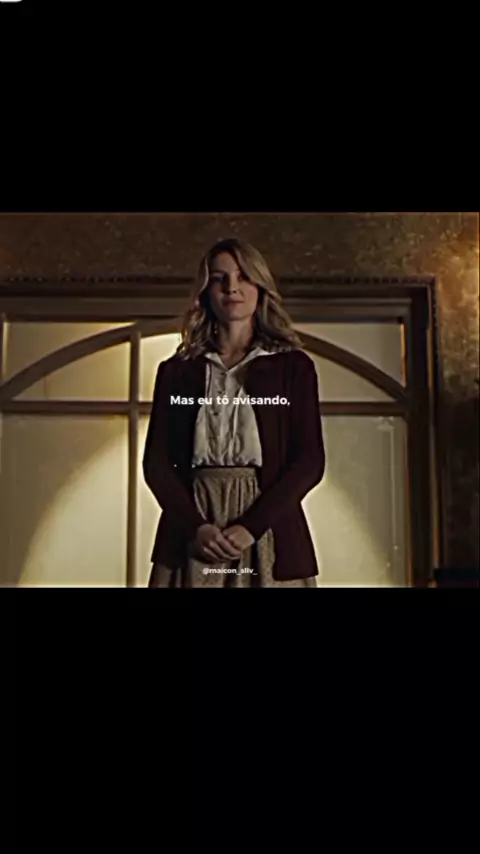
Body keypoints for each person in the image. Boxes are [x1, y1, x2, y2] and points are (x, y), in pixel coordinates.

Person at [143, 238, 325, 588]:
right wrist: (196, 528)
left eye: (243, 277)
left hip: (269, 523)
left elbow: (309, 461)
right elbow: (157, 465)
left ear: (260, 286)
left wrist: (251, 527)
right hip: (193, 527)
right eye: (219, 278)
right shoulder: (176, 372)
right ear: (206, 290)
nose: (232, 288)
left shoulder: (293, 368)